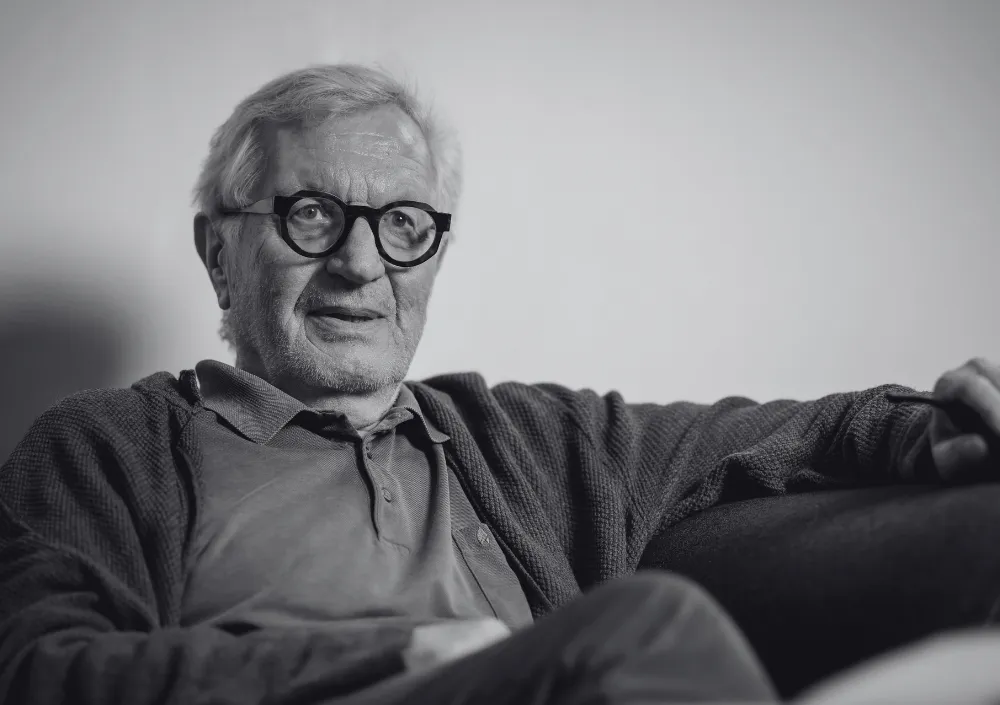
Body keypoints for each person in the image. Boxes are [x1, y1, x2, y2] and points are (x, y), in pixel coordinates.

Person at [0, 63, 998, 705]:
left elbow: (795, 435)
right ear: (220, 255)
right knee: (654, 625)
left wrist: (939, 427)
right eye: (312, 217)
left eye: (402, 226)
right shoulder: (109, 444)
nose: (361, 265)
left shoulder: (520, 437)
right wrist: (401, 654)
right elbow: (40, 672)